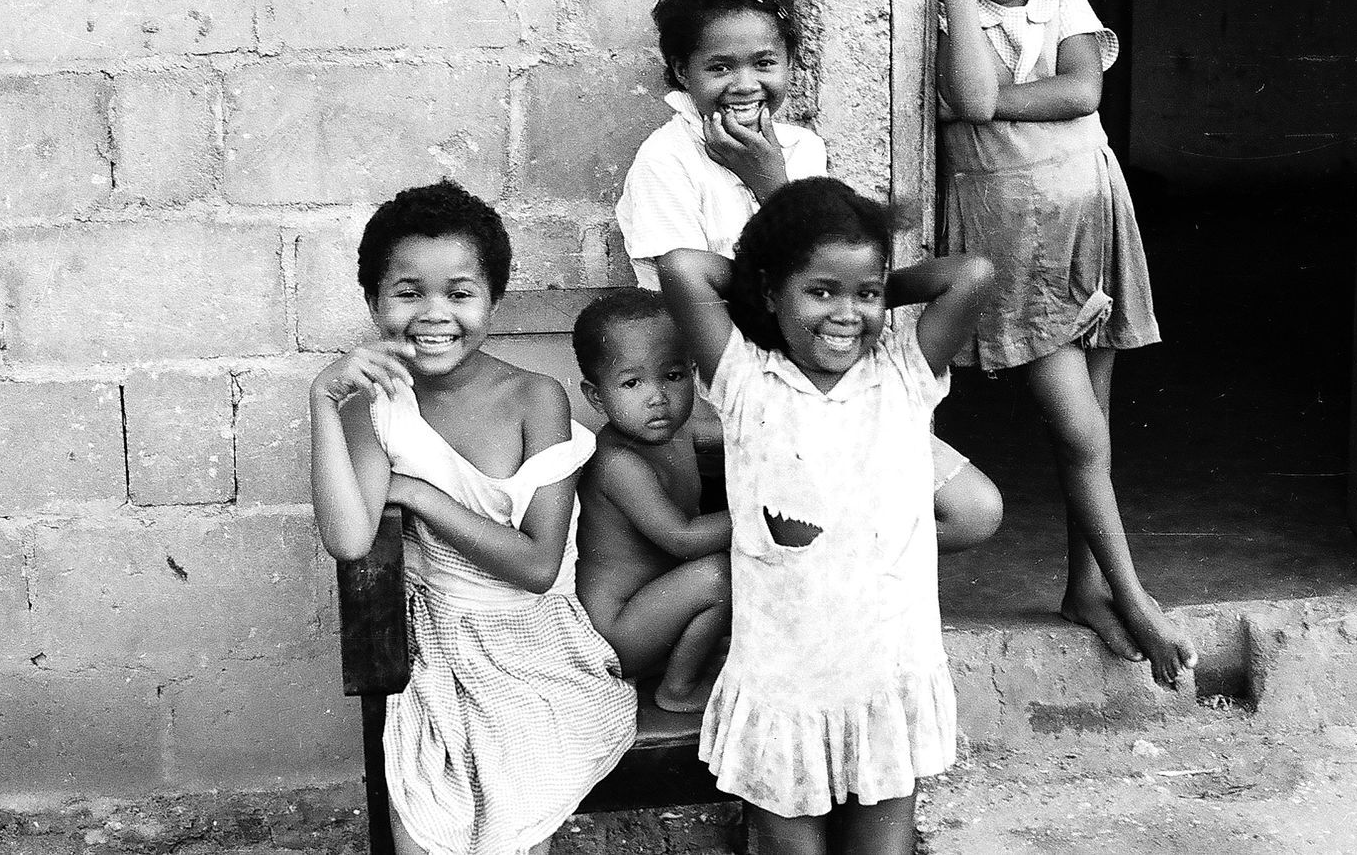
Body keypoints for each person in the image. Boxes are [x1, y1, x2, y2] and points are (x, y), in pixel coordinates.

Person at [615, 0, 1004, 554]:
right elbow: (693, 288)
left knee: (973, 511)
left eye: (764, 63)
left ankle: (828, 550)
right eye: (720, 66)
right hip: (741, 387)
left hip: (827, 369)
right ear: (681, 72)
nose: (745, 84)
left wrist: (772, 180)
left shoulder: (800, 149)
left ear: (791, 66)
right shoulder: (665, 161)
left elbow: (827, 268)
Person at [658, 178, 996, 854]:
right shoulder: (746, 382)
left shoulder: (904, 375)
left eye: (865, 294)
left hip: (885, 673)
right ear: (773, 291)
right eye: (821, 291)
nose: (848, 313)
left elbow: (974, 274)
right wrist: (764, 284)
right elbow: (681, 269)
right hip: (784, 679)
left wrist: (866, 284)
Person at [935, 0, 1199, 685]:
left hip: (1092, 222)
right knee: (1078, 432)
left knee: (1100, 427)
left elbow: (1081, 91)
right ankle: (1135, 598)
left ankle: (1086, 588)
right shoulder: (947, 19)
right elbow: (972, 97)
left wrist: (990, 113)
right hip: (1013, 244)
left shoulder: (1066, 4)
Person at [309, 181, 635, 855]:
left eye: (459, 293)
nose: (435, 315)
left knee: (512, 807)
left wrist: (421, 494)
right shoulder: (370, 411)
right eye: (408, 292)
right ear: (373, 301)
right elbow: (348, 539)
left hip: (540, 647)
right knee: (430, 815)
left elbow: (538, 566)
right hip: (440, 646)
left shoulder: (533, 398)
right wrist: (322, 400)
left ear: (492, 301)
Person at [571, 288, 732, 714]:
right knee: (722, 573)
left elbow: (746, 439)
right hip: (616, 633)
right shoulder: (618, 462)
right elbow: (682, 539)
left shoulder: (683, 430)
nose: (657, 396)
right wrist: (759, 515)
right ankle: (677, 690)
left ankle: (688, 658)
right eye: (632, 382)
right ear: (596, 396)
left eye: (673, 376)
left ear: (693, 374)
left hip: (656, 611)